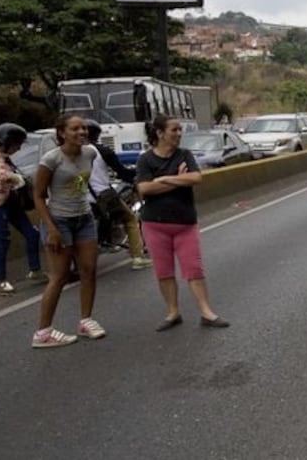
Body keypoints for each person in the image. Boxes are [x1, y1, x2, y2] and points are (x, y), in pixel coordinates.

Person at [136, 114, 229, 331]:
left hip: (185, 223)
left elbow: (195, 178)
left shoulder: (184, 155)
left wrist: (162, 179)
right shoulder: (146, 159)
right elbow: (144, 189)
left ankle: (206, 312)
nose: (178, 134)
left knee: (194, 269)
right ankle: (172, 312)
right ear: (160, 133)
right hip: (154, 224)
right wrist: (178, 180)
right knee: (164, 271)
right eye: (174, 130)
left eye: (180, 130)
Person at [32, 115, 106, 348]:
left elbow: (81, 181)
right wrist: (51, 229)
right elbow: (39, 196)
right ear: (62, 133)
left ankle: (86, 320)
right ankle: (43, 332)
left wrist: (83, 203)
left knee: (89, 270)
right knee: (60, 276)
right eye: (75, 129)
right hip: (59, 221)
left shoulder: (90, 153)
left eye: (84, 128)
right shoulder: (51, 159)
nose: (81, 132)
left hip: (84, 218)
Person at [83, 120, 151, 270]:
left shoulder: (72, 151)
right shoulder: (102, 151)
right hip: (103, 194)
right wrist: (139, 174)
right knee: (130, 219)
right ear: (97, 135)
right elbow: (122, 173)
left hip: (81, 197)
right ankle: (137, 257)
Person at [0, 123, 43, 292]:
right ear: (7, 141)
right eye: (17, 144)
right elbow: (3, 176)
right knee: (2, 239)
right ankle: (1, 280)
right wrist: (18, 179)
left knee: (32, 234)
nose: (18, 149)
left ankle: (35, 270)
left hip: (10, 201)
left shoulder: (2, 156)